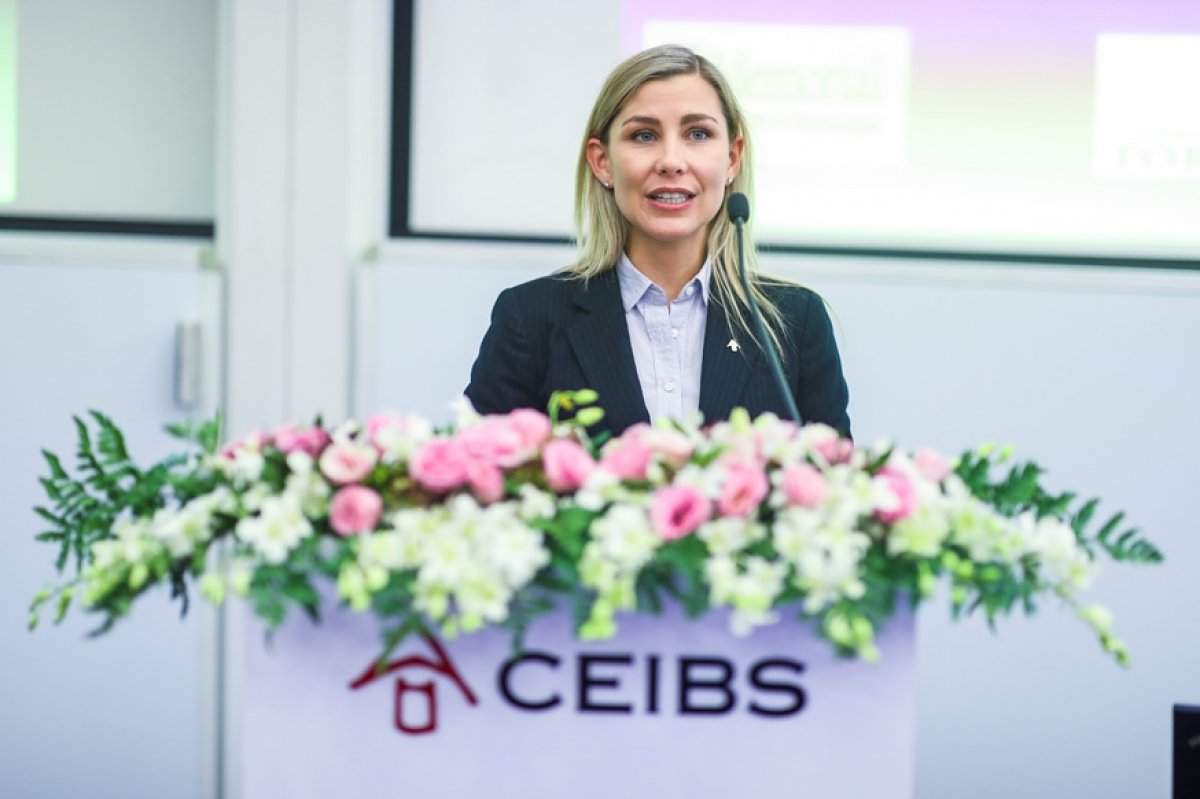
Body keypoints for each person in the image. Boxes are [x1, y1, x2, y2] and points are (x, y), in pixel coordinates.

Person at [465, 44, 850, 439]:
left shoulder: (795, 322)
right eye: (644, 135)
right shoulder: (529, 318)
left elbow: (832, 472)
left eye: (697, 134)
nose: (671, 161)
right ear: (602, 162)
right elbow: (476, 467)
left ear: (732, 159)